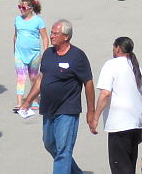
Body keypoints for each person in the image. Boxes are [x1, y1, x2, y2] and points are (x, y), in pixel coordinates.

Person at [19, 19, 95, 174]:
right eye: (52, 33)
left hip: (68, 109)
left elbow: (88, 83)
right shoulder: (48, 53)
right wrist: (27, 101)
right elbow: (41, 78)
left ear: (66, 36)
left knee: (63, 150)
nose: (51, 36)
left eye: (55, 33)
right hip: (48, 108)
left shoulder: (77, 56)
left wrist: (91, 111)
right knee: (49, 144)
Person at [91, 37, 142, 174]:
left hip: (119, 125)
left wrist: (95, 118)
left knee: (120, 169)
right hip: (135, 124)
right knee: (129, 166)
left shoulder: (111, 65)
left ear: (117, 48)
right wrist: (141, 128)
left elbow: (105, 94)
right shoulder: (138, 70)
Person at [13, 0, 49, 111]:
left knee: (33, 78)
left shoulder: (38, 21)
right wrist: (14, 49)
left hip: (34, 55)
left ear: (31, 8)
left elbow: (44, 37)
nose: (21, 9)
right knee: (20, 77)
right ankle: (19, 102)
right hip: (19, 54)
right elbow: (15, 36)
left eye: (23, 7)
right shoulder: (17, 19)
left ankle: (35, 100)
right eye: (20, 7)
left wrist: (46, 52)